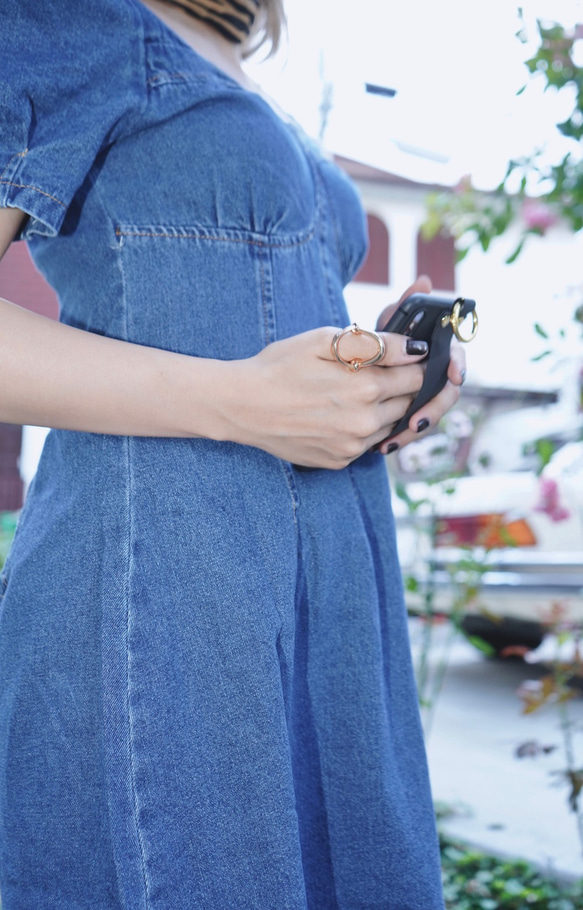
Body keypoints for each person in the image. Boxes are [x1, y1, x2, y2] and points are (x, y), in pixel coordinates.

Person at [0, 1, 465, 906]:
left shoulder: (231, 58)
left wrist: (368, 393)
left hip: (333, 606)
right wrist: (240, 402)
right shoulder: (55, 19)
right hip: (166, 593)